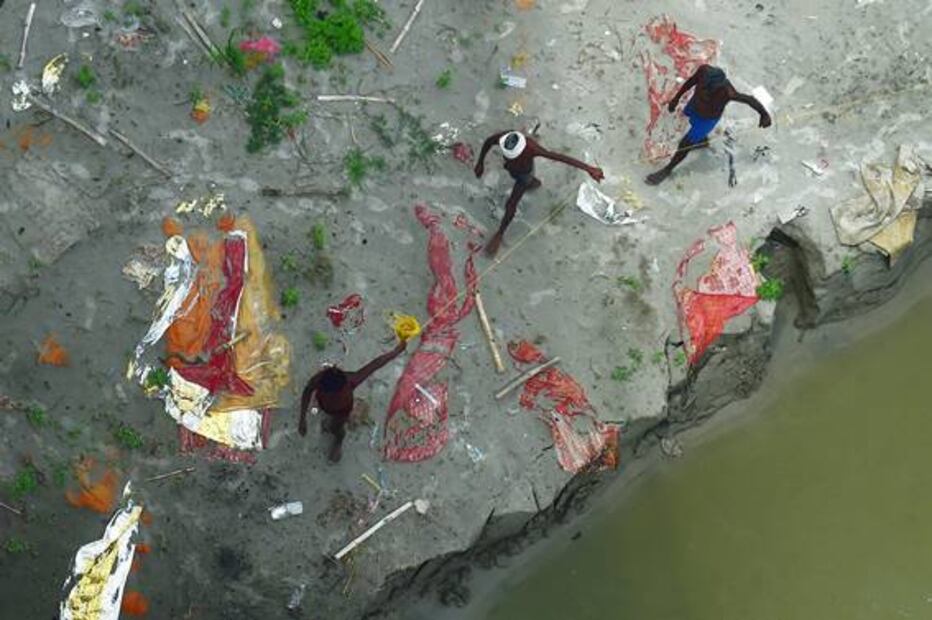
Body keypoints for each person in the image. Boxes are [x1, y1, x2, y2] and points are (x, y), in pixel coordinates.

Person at [474, 130, 605, 257]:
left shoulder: (531, 147)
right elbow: (488, 142)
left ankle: (500, 233)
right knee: (520, 178)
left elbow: (558, 157)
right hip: (512, 169)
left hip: (524, 175)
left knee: (511, 204)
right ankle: (532, 183)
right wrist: (480, 162)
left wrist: (588, 168)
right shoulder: (503, 137)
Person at [646, 65, 772, 186]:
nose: (705, 91)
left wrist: (764, 114)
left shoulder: (727, 91)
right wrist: (676, 98)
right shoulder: (703, 71)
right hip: (695, 106)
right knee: (690, 121)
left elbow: (749, 99)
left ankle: (668, 169)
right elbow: (689, 83)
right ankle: (703, 141)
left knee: (685, 143)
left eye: (709, 90)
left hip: (707, 119)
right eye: (703, 87)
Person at [299, 340, 407, 462]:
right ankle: (320, 412)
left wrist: (395, 352)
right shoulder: (318, 380)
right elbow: (307, 392)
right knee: (316, 409)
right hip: (322, 403)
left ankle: (338, 441)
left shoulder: (352, 380)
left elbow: (376, 364)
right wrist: (302, 418)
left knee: (336, 428)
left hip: (342, 411)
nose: (333, 397)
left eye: (335, 395)